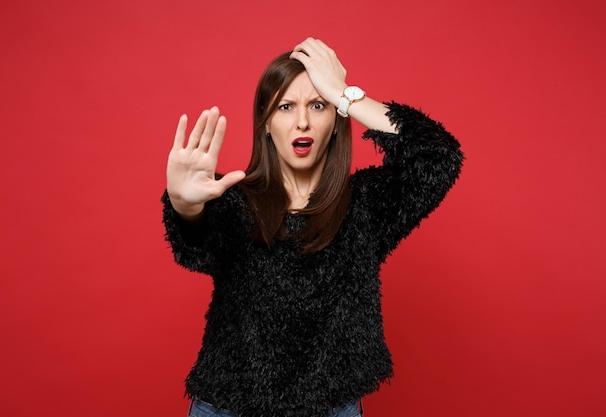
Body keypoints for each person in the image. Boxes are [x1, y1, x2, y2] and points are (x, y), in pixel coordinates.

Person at [162, 37, 463, 417]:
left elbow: (439, 155)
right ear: (266, 124)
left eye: (317, 105)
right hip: (228, 408)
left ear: (336, 121)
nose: (302, 121)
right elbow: (196, 246)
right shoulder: (234, 202)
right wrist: (186, 206)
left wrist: (345, 95)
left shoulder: (365, 206)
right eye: (285, 106)